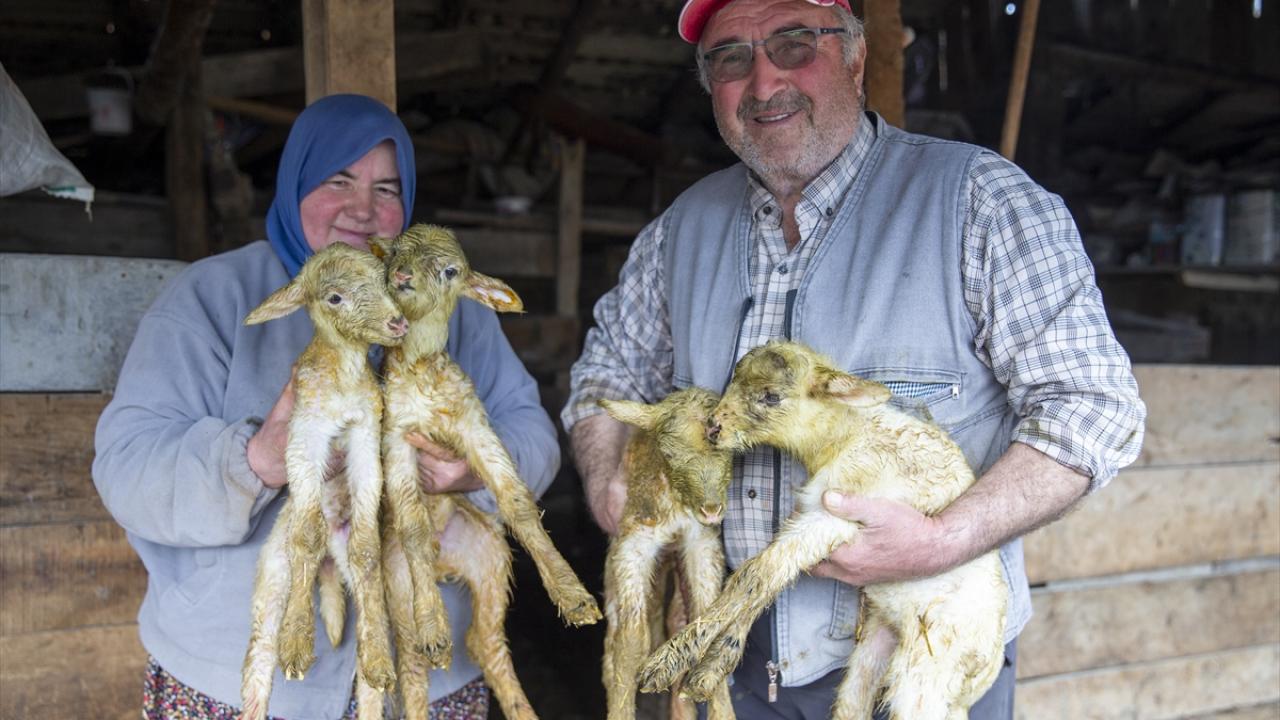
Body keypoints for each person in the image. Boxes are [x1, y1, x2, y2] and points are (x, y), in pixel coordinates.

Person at [562, 1, 1146, 718]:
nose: (764, 82)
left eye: (794, 43)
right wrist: (608, 481)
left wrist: (943, 539)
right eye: (732, 58)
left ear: (857, 56)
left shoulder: (980, 202)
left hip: (917, 657)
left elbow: (1094, 408)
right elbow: (604, 379)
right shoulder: (678, 232)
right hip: (724, 676)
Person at [93, 93, 560, 720]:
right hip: (239, 685)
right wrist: (256, 460)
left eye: (387, 189)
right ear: (295, 183)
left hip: (424, 681)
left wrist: (474, 469)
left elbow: (534, 434)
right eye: (339, 181)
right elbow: (125, 469)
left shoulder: (450, 307)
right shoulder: (212, 300)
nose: (363, 210)